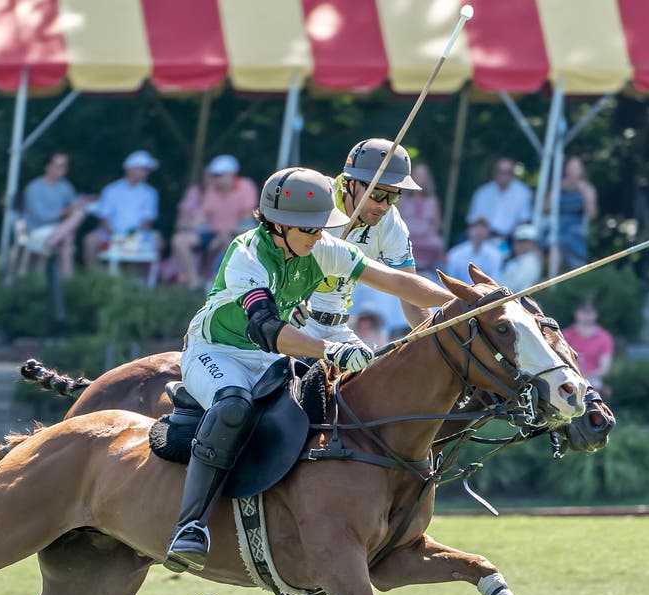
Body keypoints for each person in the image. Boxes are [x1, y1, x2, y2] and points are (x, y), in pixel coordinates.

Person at [164, 167, 452, 573]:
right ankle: (190, 527)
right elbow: (268, 329)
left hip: (267, 358)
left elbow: (398, 283)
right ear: (280, 224)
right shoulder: (247, 254)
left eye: (321, 229)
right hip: (218, 351)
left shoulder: (321, 247)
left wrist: (465, 300)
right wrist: (329, 350)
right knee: (234, 407)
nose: (321, 237)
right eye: (311, 230)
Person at [316, 138, 429, 340]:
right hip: (287, 321)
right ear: (351, 183)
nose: (384, 206)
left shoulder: (391, 222)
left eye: (393, 197)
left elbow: (410, 292)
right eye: (377, 194)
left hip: (336, 328)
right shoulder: (316, 197)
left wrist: (434, 341)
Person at [170, 155, 258, 288]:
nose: (216, 178)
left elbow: (246, 216)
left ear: (231, 174)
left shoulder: (245, 186)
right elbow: (203, 214)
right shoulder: (212, 190)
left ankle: (218, 284)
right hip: (214, 233)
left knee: (228, 241)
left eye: (219, 175)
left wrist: (224, 235)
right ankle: (195, 281)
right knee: (179, 240)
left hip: (239, 233)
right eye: (214, 175)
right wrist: (190, 225)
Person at [84, 150, 161, 268]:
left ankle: (139, 278)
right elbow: (104, 217)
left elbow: (147, 221)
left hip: (138, 234)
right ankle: (94, 276)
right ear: (130, 169)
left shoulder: (150, 193)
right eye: (143, 169)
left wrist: (131, 235)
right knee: (90, 240)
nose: (146, 173)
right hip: (110, 233)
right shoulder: (111, 190)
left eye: (147, 170)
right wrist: (115, 235)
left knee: (158, 241)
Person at [22, 152, 89, 279]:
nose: (63, 169)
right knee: (69, 232)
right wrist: (66, 211)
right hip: (37, 231)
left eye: (65, 166)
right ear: (48, 167)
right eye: (59, 165)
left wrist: (83, 202)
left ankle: (51, 243)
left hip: (57, 230)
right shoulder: (34, 187)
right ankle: (68, 284)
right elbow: (41, 217)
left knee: (78, 215)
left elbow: (73, 205)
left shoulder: (65, 186)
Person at [544, 155, 597, 274]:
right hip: (557, 227)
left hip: (575, 228)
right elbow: (546, 209)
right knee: (555, 243)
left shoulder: (588, 189)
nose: (573, 171)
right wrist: (555, 192)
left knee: (563, 241)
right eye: (570, 167)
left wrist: (585, 194)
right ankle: (552, 281)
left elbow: (592, 214)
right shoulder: (558, 187)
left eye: (576, 167)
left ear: (581, 170)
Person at [395, 162, 445, 272]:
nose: (420, 178)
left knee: (437, 243)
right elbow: (395, 218)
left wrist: (428, 233)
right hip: (405, 235)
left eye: (423, 176)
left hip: (426, 237)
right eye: (417, 175)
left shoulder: (433, 200)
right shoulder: (401, 198)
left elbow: (437, 223)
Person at [467, 156, 533, 239]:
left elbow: (524, 220)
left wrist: (507, 237)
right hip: (484, 237)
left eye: (507, 172)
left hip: (511, 239)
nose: (503, 175)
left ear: (513, 174)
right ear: (494, 172)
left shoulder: (523, 192)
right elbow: (473, 220)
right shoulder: (482, 192)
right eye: (500, 172)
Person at [561, 299, 614, 393]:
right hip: (567, 378)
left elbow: (604, 368)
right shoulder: (564, 335)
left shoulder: (604, 337)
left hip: (593, 381)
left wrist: (586, 376)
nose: (586, 316)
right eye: (583, 312)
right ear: (576, 313)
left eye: (589, 312)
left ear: (596, 314)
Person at [442, 216, 504, 284]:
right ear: (469, 230)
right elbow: (450, 279)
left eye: (482, 229)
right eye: (476, 228)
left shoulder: (495, 255)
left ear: (487, 232)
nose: (479, 232)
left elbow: (494, 280)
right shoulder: (455, 254)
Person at [500, 223, 544, 293]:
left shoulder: (531, 261)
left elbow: (514, 287)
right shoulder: (513, 262)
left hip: (518, 301)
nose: (522, 245)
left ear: (533, 244)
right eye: (519, 242)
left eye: (526, 242)